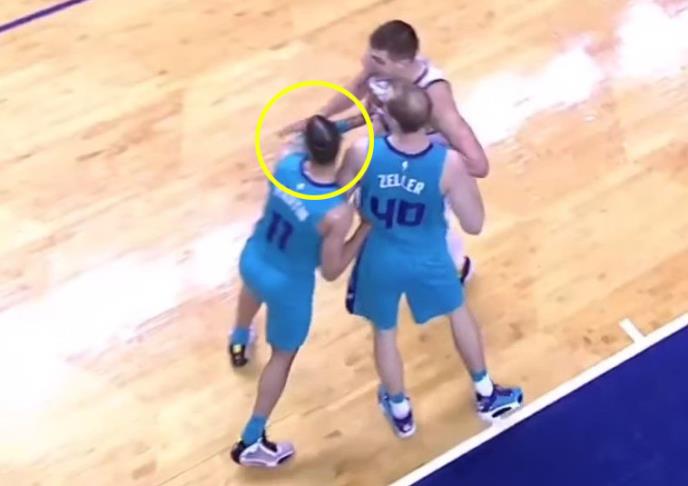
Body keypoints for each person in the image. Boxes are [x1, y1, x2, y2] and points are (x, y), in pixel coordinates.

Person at [338, 80, 522, 438]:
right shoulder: (449, 163)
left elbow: (336, 204)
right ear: (427, 120)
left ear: (388, 118)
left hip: (378, 255)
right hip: (429, 256)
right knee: (459, 313)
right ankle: (486, 394)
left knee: (384, 332)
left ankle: (400, 411)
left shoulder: (362, 151)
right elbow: (474, 223)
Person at [280, 19, 488, 284]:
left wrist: (427, 160)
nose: (368, 62)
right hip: (386, 152)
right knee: (363, 201)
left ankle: (456, 268)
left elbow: (478, 164)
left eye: (378, 59)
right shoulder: (378, 68)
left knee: (422, 222)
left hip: (420, 168)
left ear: (402, 63)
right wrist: (322, 117)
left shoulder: (435, 94)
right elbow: (358, 92)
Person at [229, 116, 370, 467]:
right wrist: (364, 228)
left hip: (255, 258)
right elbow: (332, 271)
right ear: (337, 153)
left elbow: (301, 137)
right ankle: (252, 440)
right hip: (288, 286)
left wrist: (350, 120)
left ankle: (239, 337)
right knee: (282, 357)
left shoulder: (285, 164)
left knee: (251, 290)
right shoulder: (337, 212)